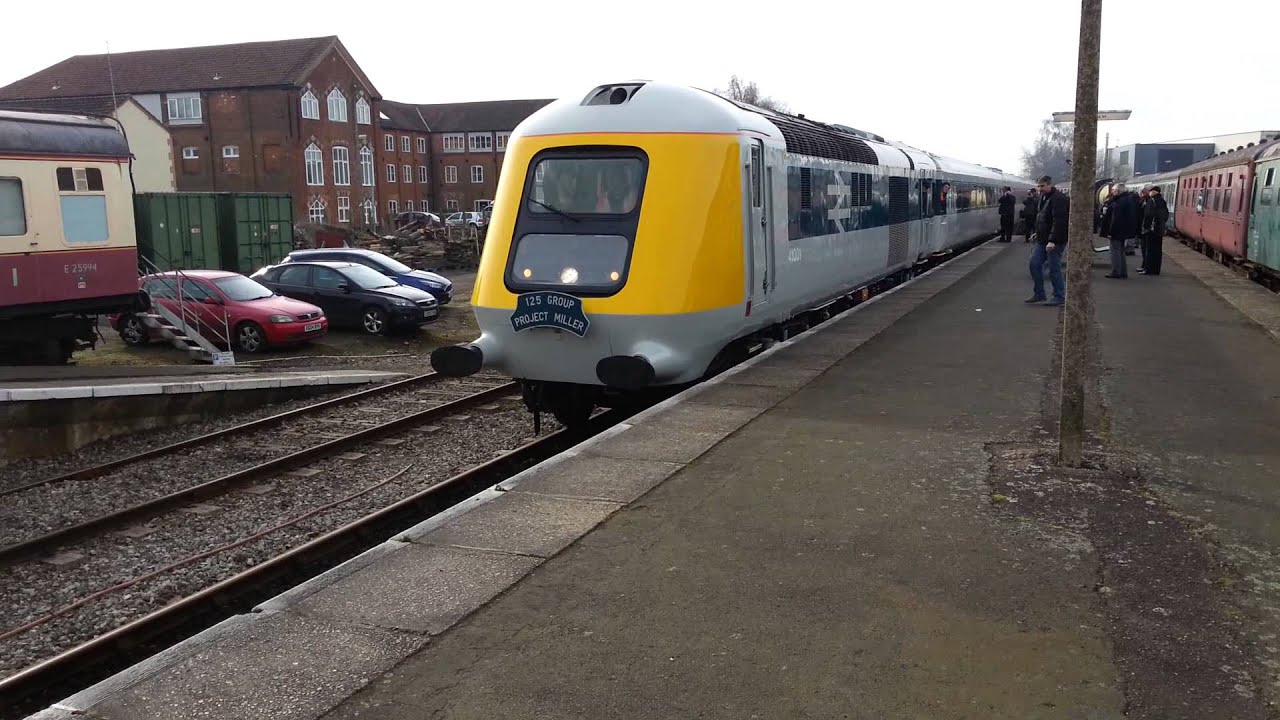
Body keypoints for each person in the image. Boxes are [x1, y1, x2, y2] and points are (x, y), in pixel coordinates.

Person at [1027, 175, 1069, 306]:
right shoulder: (1043, 198)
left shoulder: (1058, 199)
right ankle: (1039, 293)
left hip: (1055, 240)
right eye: (1039, 186)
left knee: (1053, 268)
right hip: (1043, 238)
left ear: (1050, 184)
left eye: (1042, 186)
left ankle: (1059, 296)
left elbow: (1059, 221)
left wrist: (1052, 240)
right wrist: (1036, 233)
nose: (1040, 189)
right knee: (1034, 264)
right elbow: (1042, 218)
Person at [1103, 183, 1141, 278]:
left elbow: (1115, 219)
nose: (1112, 192)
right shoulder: (1127, 200)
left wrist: (1111, 232)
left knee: (1115, 251)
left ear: (1118, 191)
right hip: (1124, 230)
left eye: (1113, 190)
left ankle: (1116, 271)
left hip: (1117, 231)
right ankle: (1123, 271)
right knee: (1121, 251)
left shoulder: (1119, 202)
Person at [1139, 186, 1169, 275]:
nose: (1149, 193)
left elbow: (1148, 215)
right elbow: (1166, 215)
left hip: (1151, 230)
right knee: (1157, 251)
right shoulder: (1162, 201)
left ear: (1154, 192)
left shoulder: (1152, 201)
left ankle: (1148, 269)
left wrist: (1145, 227)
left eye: (1150, 191)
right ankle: (1156, 270)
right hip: (1159, 230)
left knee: (1150, 250)